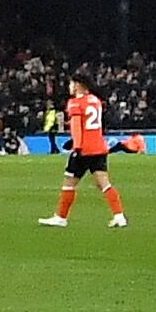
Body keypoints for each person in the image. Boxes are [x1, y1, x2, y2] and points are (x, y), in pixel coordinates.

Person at [46, 77, 122, 225]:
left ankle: (60, 218)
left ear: (77, 86)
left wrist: (76, 146)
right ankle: (119, 216)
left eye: (71, 83)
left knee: (69, 182)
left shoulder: (74, 103)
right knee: (104, 183)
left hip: (84, 149)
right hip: (99, 147)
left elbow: (76, 127)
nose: (69, 86)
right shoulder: (95, 100)